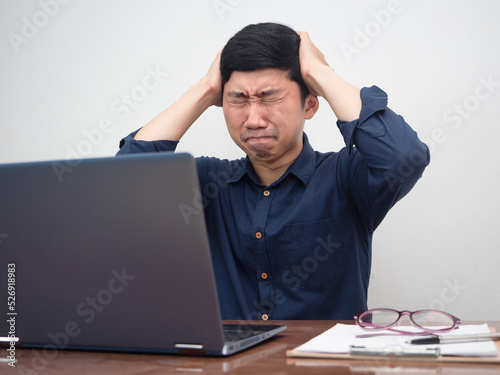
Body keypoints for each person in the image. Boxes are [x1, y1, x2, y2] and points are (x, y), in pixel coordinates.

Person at [117, 22, 430, 320]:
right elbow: (124, 183)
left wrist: (319, 73)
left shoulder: (345, 177)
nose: (254, 119)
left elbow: (405, 157)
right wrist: (205, 88)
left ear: (309, 104)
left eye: (270, 97)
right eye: (238, 99)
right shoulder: (206, 184)